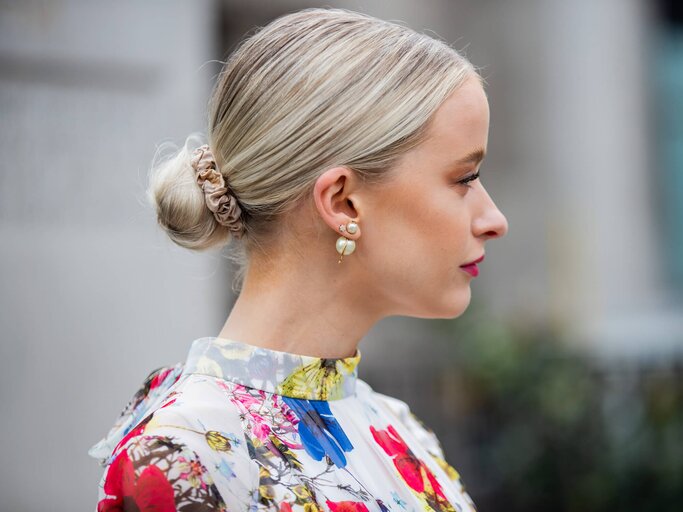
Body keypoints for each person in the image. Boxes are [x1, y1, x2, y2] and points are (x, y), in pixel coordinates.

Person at [89, 7, 508, 511]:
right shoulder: (184, 456)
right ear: (343, 202)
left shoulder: (399, 429)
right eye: (463, 179)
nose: (494, 219)